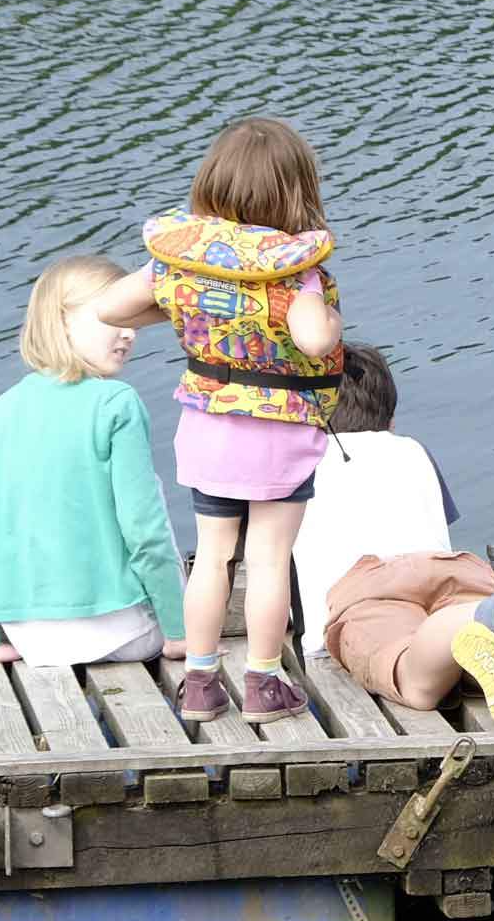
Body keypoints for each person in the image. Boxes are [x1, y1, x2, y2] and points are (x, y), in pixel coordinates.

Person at [89, 117, 344, 723]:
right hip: (277, 435)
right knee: (269, 558)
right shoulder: (293, 269)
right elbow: (311, 342)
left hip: (207, 429)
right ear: (296, 194)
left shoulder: (183, 262)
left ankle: (199, 683)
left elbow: (108, 306)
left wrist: (178, 300)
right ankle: (262, 682)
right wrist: (330, 323)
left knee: (211, 557)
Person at [297, 344, 494, 739]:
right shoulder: (414, 451)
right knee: (461, 661)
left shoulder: (296, 462)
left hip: (365, 589)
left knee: (416, 683)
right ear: (390, 419)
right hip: (452, 569)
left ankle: (493, 616)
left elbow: (266, 555)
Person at [0, 256, 188, 669]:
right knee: (151, 502)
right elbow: (144, 532)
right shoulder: (115, 402)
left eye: (135, 321)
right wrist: (181, 632)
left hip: (32, 641)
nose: (129, 332)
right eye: (114, 317)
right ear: (63, 319)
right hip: (125, 633)